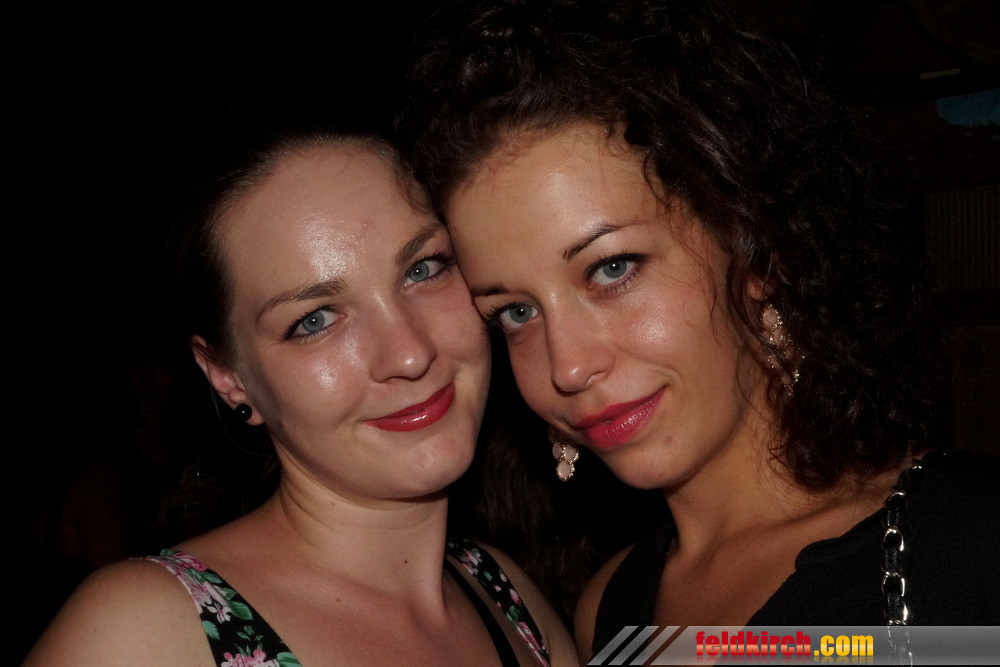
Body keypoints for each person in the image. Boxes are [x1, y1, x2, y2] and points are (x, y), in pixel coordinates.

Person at [394, 0, 1000, 661]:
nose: (567, 366)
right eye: (516, 312)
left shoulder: (967, 546)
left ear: (756, 250)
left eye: (612, 268)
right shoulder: (612, 612)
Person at [24, 130, 576, 666]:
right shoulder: (144, 631)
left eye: (423, 270)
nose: (409, 354)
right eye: (315, 320)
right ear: (228, 376)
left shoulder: (509, 598)